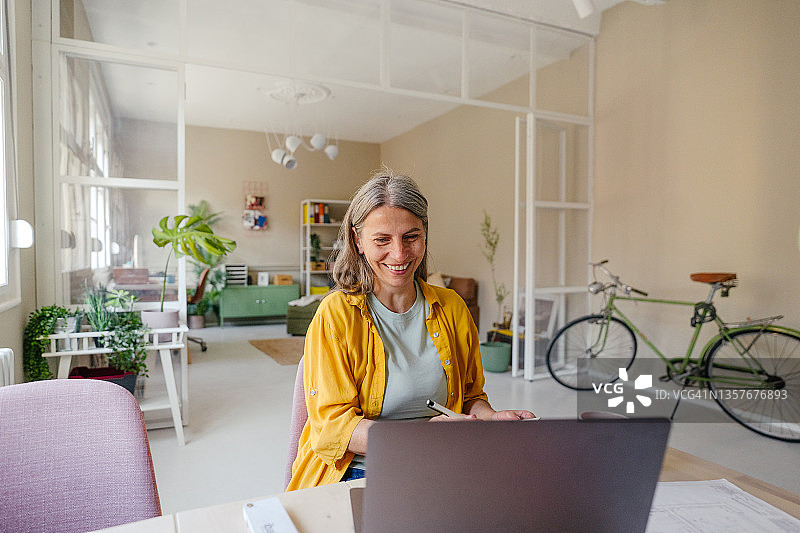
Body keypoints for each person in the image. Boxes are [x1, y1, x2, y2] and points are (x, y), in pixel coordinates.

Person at [286, 170, 536, 491]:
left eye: (411, 236)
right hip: (360, 470)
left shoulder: (452, 307)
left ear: (425, 234)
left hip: (441, 460)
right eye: (382, 240)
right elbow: (333, 429)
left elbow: (471, 397)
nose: (400, 254)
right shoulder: (336, 315)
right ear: (357, 241)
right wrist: (420, 437)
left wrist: (489, 418)